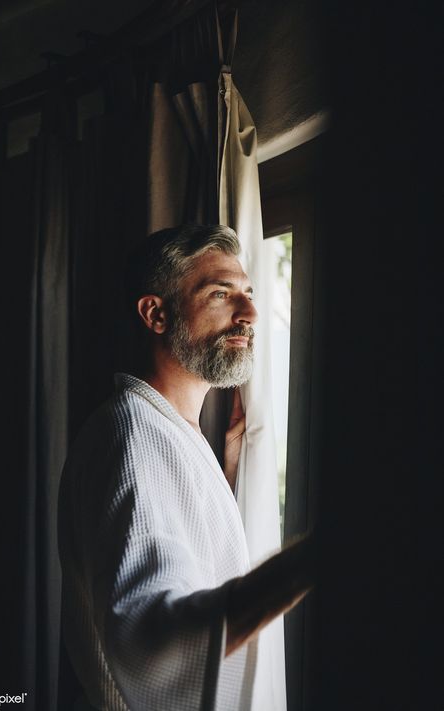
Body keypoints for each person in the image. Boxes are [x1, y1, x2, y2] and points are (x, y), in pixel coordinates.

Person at [58, 224, 315, 711]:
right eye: (221, 294)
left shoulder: (175, 435)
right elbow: (152, 640)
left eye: (248, 293)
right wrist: (316, 557)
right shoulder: (130, 435)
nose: (251, 313)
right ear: (156, 313)